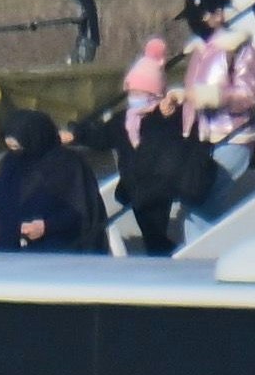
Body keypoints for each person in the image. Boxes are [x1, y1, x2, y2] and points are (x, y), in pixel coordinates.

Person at [62, 37, 188, 254]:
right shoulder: (124, 120)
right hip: (134, 185)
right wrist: (76, 133)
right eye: (132, 92)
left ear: (155, 94)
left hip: (157, 186)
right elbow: (101, 137)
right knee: (149, 229)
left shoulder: (166, 117)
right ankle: (161, 252)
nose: (134, 98)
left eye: (140, 93)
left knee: (154, 230)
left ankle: (164, 254)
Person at [171, 0, 255, 243]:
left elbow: (250, 94)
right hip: (203, 141)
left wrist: (212, 97)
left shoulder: (239, 50)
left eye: (208, 14)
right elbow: (193, 97)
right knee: (195, 203)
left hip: (234, 137)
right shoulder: (200, 53)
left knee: (201, 207)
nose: (201, 22)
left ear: (219, 15)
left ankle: (196, 261)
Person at [0, 110, 107, 253]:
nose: (16, 152)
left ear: (34, 140)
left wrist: (46, 226)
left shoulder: (68, 165)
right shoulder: (12, 162)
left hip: (59, 252)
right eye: (11, 148)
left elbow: (81, 211)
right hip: (11, 247)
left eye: (19, 147)